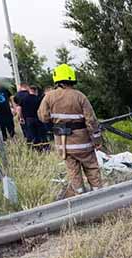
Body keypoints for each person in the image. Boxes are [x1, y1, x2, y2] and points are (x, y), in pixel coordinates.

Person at [38, 64, 102, 197]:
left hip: (64, 145)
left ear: (57, 80)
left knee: (73, 172)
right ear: (72, 79)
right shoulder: (80, 96)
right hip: (83, 143)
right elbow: (91, 120)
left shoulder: (49, 97)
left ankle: (80, 196)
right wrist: (97, 139)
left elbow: (43, 117)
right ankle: (98, 195)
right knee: (91, 168)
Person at [14, 83, 47, 147]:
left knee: (31, 135)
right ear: (36, 91)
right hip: (38, 119)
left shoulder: (24, 99)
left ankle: (34, 148)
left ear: (29, 90)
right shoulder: (38, 99)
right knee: (40, 134)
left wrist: (21, 117)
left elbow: (19, 108)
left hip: (28, 119)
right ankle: (43, 147)